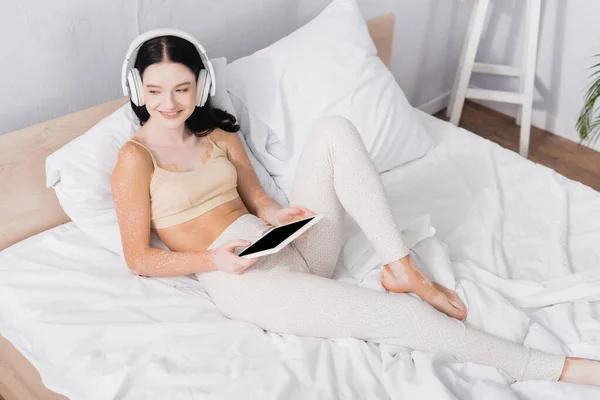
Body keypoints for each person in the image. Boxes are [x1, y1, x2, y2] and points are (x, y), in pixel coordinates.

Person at [111, 29, 600, 387]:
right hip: (243, 278)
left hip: (285, 244)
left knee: (334, 130)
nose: (170, 103)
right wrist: (214, 260)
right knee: (402, 320)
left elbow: (255, 197)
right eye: (155, 91)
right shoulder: (135, 160)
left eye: (181, 88)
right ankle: (557, 369)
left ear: (200, 83)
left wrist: (278, 215)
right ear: (138, 91)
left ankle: (401, 267)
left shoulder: (219, 133)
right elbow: (139, 258)